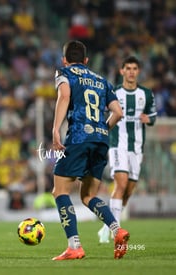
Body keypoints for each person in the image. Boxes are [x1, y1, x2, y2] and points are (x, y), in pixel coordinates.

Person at [51, 40, 129, 260]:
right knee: (88, 195)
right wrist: (102, 129)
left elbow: (64, 95)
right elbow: (118, 112)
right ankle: (117, 230)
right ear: (86, 60)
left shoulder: (64, 72)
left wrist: (56, 129)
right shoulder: (101, 80)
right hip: (101, 140)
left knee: (60, 191)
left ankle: (74, 246)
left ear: (64, 59)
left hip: (78, 137)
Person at [98, 56, 157, 243]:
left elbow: (153, 116)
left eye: (134, 68)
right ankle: (116, 232)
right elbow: (103, 114)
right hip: (117, 145)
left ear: (138, 71)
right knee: (120, 184)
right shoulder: (113, 92)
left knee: (128, 191)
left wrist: (149, 119)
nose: (131, 71)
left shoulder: (146, 94)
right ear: (121, 71)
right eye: (128, 68)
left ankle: (107, 226)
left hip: (137, 148)